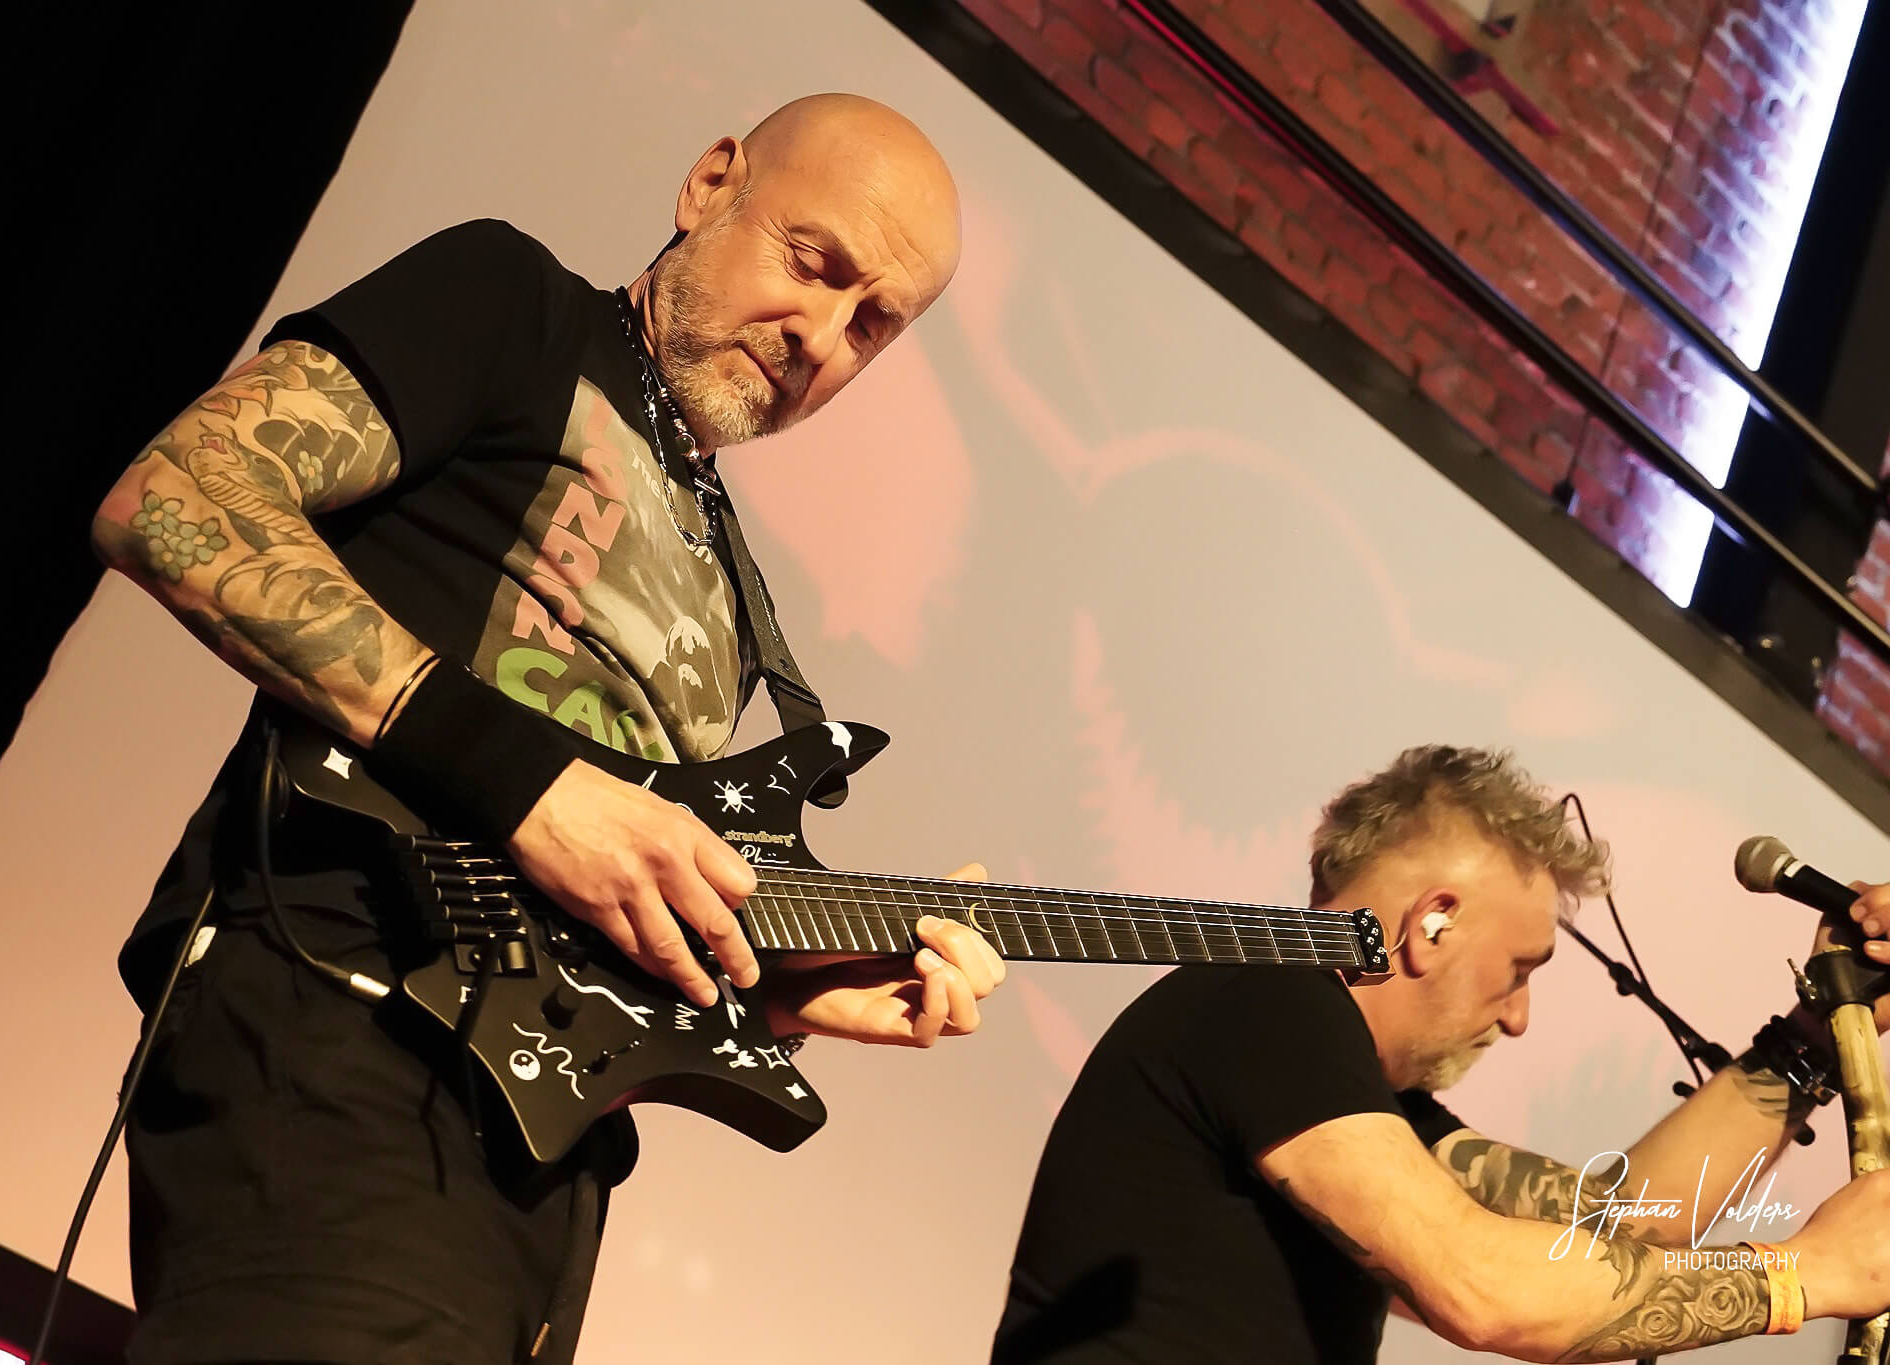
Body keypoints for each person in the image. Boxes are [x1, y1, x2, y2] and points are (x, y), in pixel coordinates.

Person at [91, 93, 1005, 1365]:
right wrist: (529, 783)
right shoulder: (511, 302)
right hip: (344, 1038)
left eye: (872, 325)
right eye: (812, 264)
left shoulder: (733, 588)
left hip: (539, 1176)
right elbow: (176, 493)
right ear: (710, 184)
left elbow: (582, 901)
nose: (820, 336)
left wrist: (788, 990)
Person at [994, 744, 1890, 1363]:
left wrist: (1815, 1035)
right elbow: (1482, 1288)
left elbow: (1617, 1225)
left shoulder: (1340, 1083)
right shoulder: (1268, 1001)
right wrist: (1804, 1272)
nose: (1518, 1017)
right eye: (1518, 970)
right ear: (1432, 922)